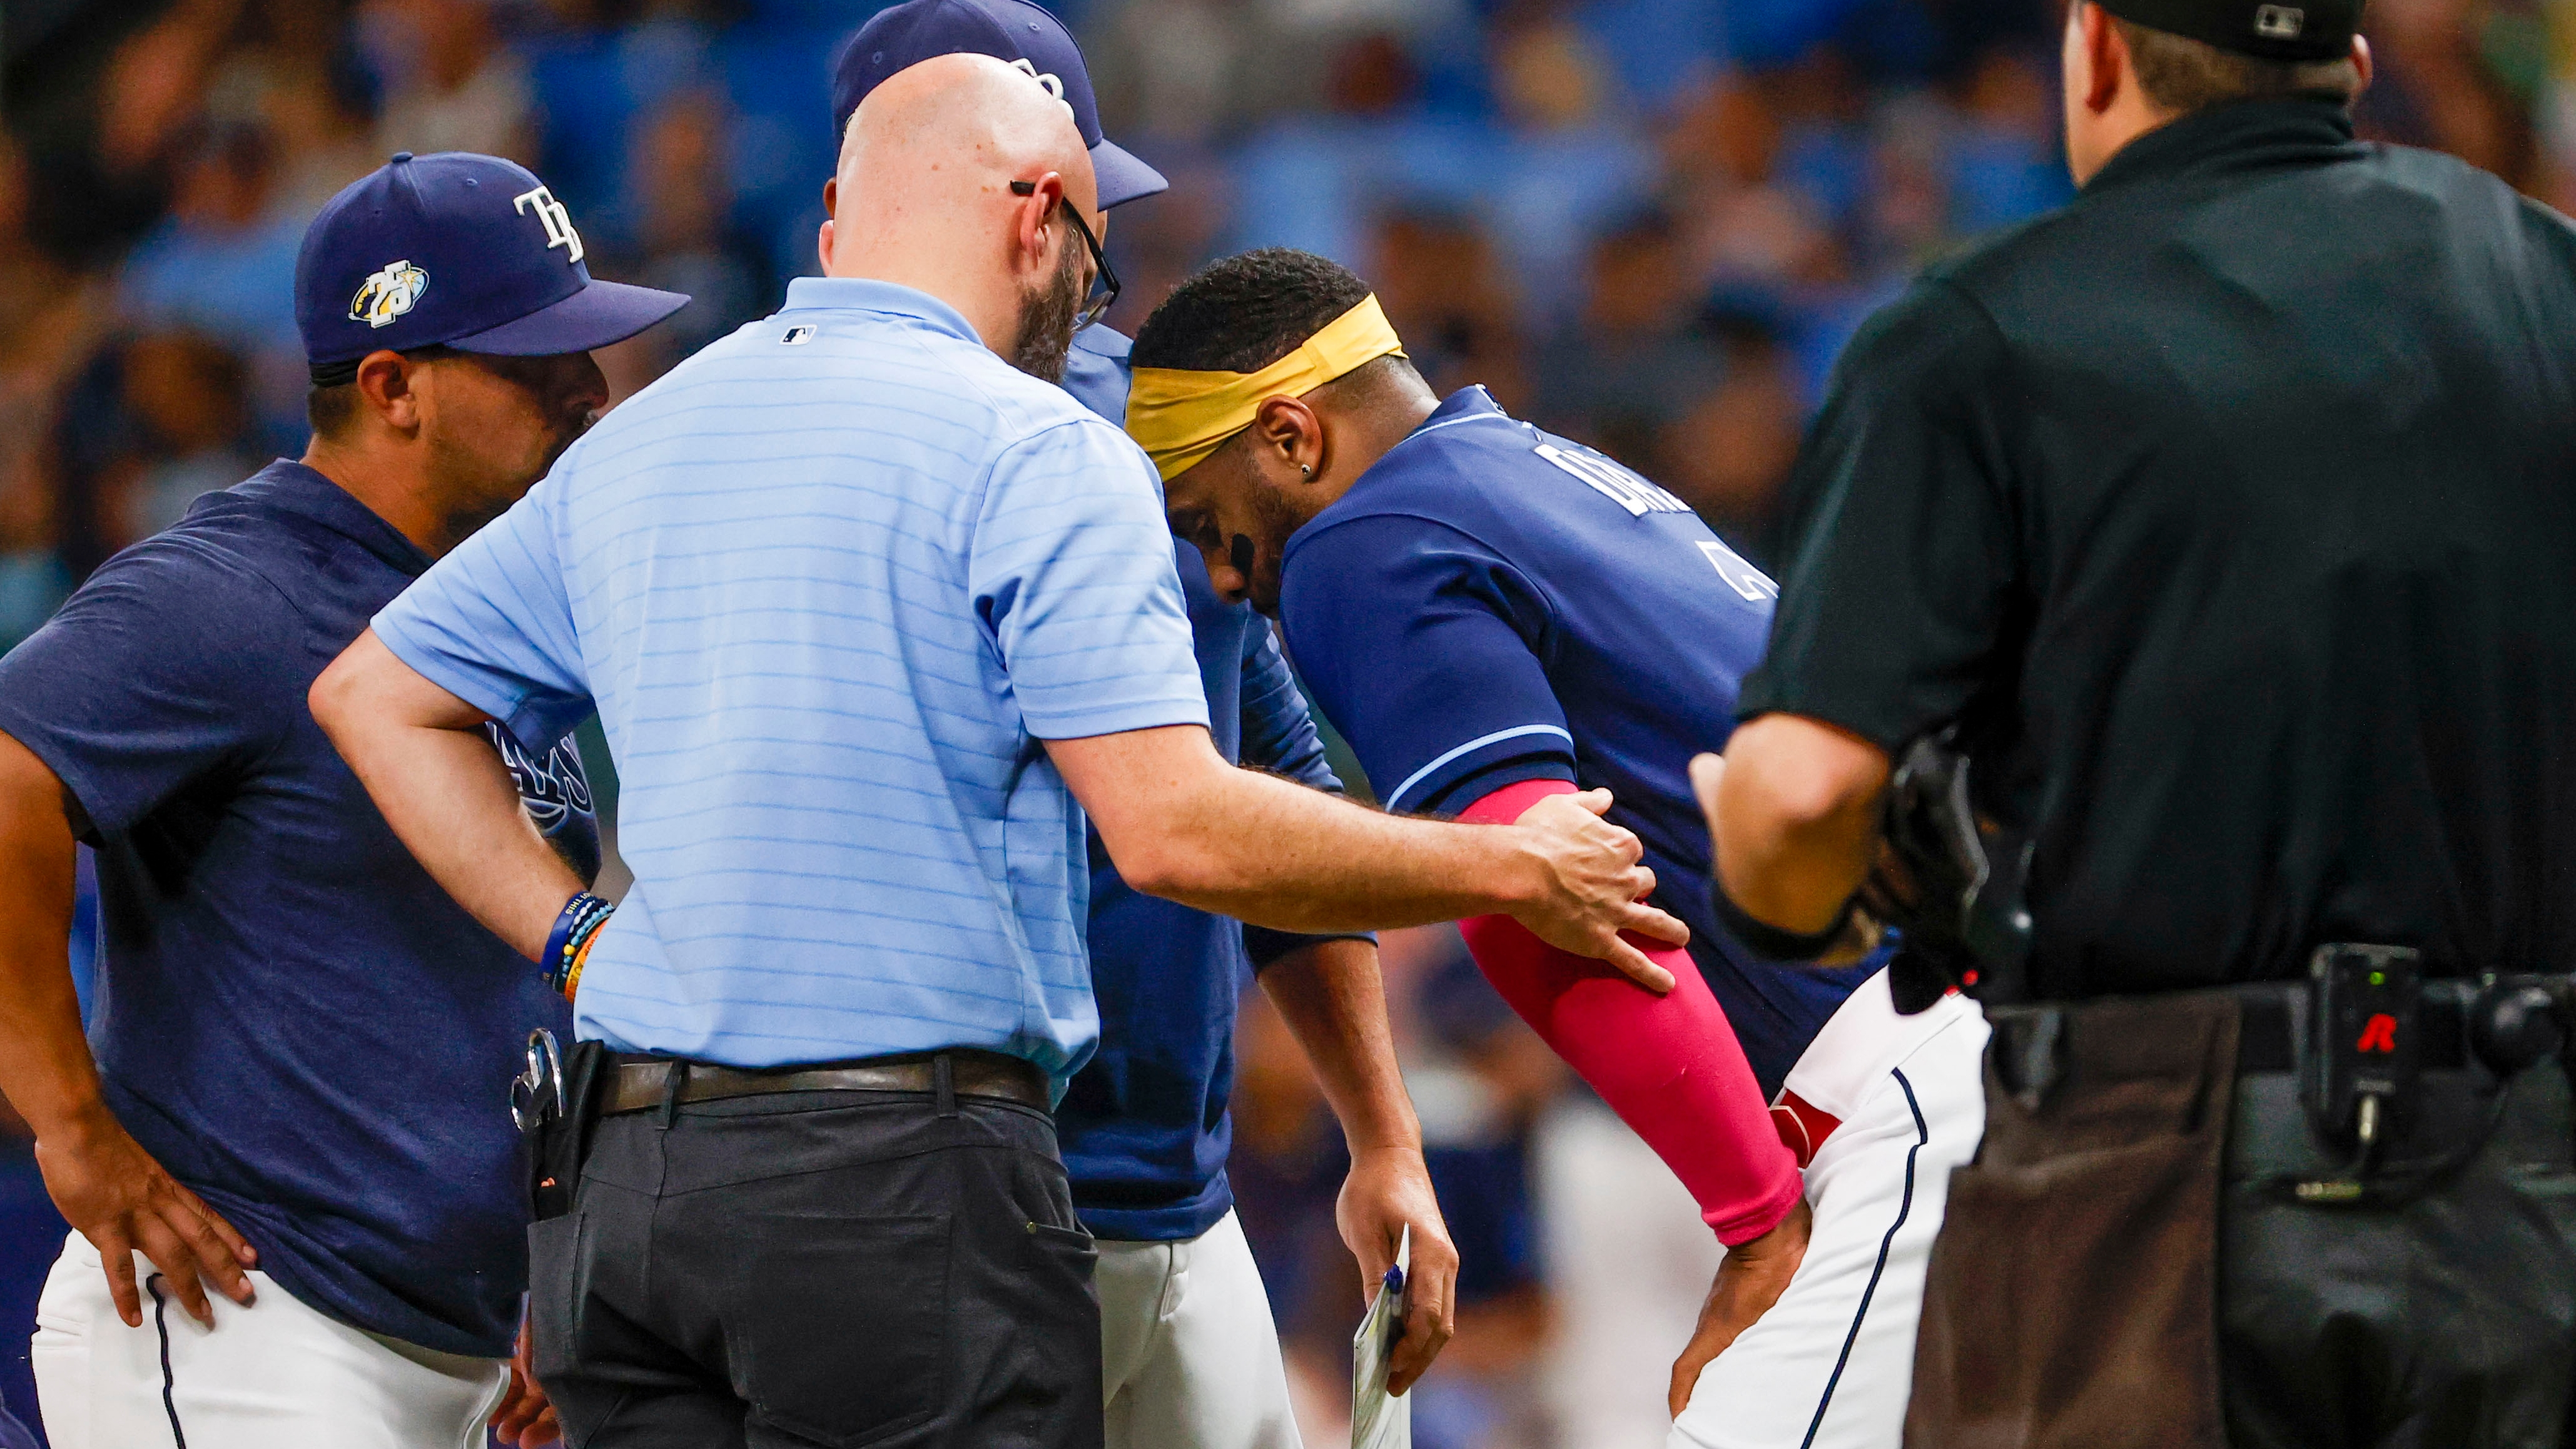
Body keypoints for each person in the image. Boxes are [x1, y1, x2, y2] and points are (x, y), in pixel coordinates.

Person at [308, 57, 1681, 1449]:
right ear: (1036, 218)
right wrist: (1501, 865)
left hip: (630, 1198)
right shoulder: (1036, 446)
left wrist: (581, 944)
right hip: (898, 1191)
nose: (1095, 308)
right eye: (1093, 260)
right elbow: (1174, 831)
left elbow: (376, 697)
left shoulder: (647, 431)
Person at [1697, 2, 2576, 1445]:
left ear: (2095, 46)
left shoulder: (1974, 332)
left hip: (2150, 1174)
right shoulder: (2546, 280)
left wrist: (1762, 852)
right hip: (2525, 1164)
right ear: (2348, 64)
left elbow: (1798, 804)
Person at [1120, 247, 1989, 1449]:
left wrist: (1754, 1224)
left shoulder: (1355, 542)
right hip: (1999, 1033)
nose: (1226, 576)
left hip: (1906, 1076)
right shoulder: (1529, 465)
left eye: (1212, 525)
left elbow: (1530, 888)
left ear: (1290, 436)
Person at [823, 5, 1464, 1440]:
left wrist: (1383, 1136)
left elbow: (1273, 762)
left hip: (1179, 1191)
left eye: (1074, 213)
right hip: (928, 1206)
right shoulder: (792, 441)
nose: (1057, 257)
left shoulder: (1162, 425)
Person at [0, 151, 683, 1448]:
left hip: (451, 1345)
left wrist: (535, 1263)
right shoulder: (236, 588)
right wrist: (70, 1123)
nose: (589, 392)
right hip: (248, 1325)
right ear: (392, 387)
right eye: (535, 365)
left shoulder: (494, 613)